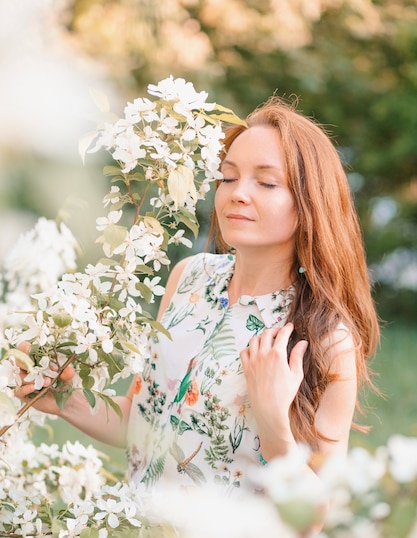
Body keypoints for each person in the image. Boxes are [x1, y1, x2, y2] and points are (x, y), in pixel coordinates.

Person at [15, 96, 380, 494]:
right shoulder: (189, 277)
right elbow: (145, 422)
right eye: (228, 177)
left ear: (310, 204)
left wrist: (274, 423)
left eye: (267, 182)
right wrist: (64, 398)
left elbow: (318, 515)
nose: (238, 193)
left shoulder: (327, 338)